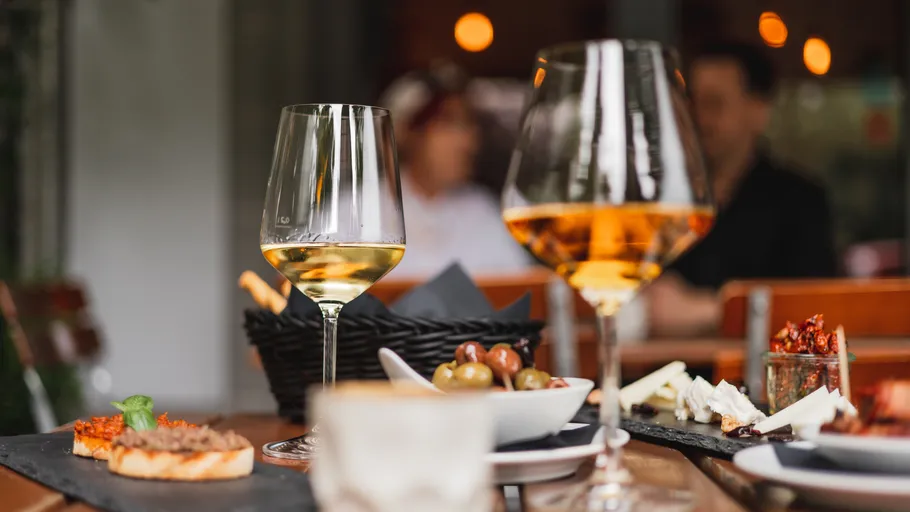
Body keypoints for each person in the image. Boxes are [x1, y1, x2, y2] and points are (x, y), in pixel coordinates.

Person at [641, 41, 838, 337]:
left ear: (759, 111)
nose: (699, 118)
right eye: (693, 103)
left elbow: (815, 311)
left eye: (715, 104)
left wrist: (707, 309)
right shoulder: (659, 197)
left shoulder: (800, 201)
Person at [379, 64, 532, 280]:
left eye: (469, 126)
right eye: (450, 124)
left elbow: (520, 292)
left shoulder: (483, 212)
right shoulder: (350, 215)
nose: (469, 142)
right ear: (407, 133)